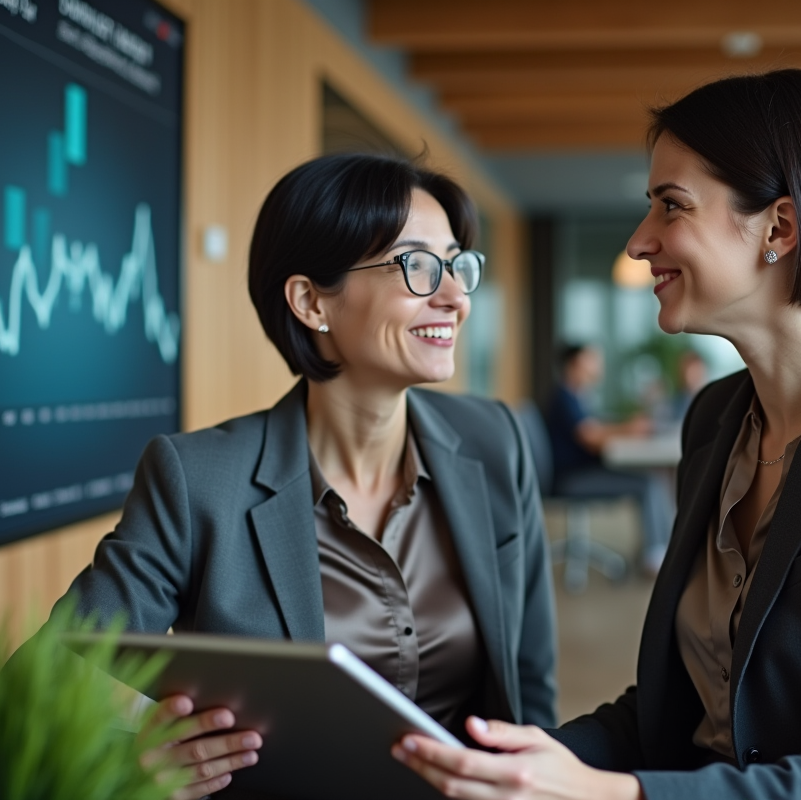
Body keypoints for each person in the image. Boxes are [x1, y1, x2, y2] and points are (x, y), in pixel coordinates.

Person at [393, 69, 801, 800]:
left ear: (779, 228)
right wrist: (509, 760)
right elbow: (677, 716)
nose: (639, 241)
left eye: (671, 205)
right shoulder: (717, 419)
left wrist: (608, 793)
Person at [41, 154, 557, 799]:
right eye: (417, 266)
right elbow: (48, 671)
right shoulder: (199, 479)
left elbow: (531, 686)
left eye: (456, 265)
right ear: (312, 301)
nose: (455, 297)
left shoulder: (494, 441)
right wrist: (137, 752)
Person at [546, 344, 673, 572]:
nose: (598, 365)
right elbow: (590, 436)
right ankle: (656, 556)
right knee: (648, 483)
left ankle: (661, 548)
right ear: (576, 363)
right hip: (571, 478)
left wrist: (625, 427)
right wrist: (628, 428)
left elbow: (595, 427)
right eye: (591, 359)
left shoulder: (577, 396)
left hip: (580, 471)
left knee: (651, 479)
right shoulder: (564, 397)